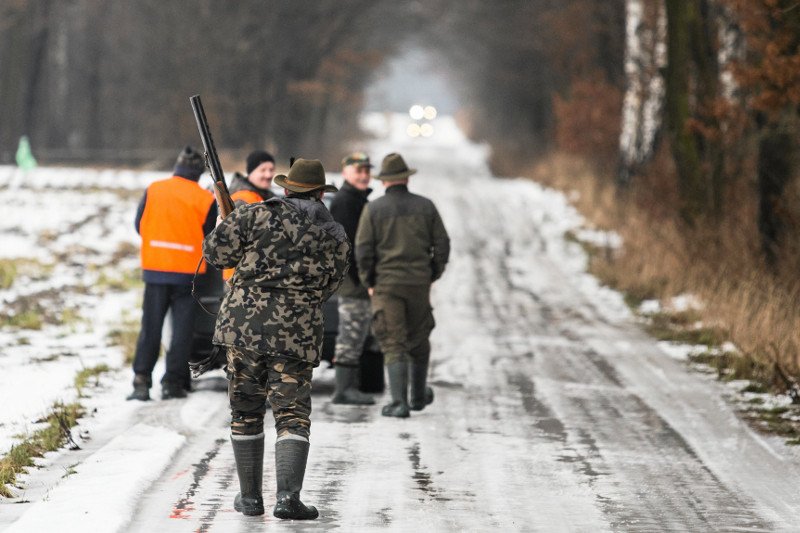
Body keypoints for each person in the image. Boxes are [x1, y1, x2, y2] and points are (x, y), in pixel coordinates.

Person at [202, 158, 348, 519]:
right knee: (292, 414)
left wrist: (224, 224)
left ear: (285, 188)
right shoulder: (334, 234)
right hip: (295, 335)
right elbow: (330, 286)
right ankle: (287, 499)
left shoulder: (253, 214)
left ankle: (250, 499)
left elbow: (215, 255)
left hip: (242, 329)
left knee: (245, 410)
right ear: (319, 193)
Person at [355, 153, 450, 418]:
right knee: (419, 339)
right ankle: (418, 397)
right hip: (418, 283)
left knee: (392, 340)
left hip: (387, 285)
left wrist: (369, 281)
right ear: (406, 178)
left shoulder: (373, 209)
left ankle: (399, 403)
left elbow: (363, 250)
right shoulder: (426, 206)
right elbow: (442, 244)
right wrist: (432, 273)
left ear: (384, 181)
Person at [128, 146, 217, 401]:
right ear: (199, 173)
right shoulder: (205, 199)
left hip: (155, 270)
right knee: (181, 332)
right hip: (187, 275)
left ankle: (141, 381)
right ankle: (172, 383)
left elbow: (139, 225)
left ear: (177, 167)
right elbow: (211, 236)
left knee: (150, 327)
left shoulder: (154, 189)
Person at [329, 152, 376, 405]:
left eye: (367, 170)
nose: (364, 175)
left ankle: (349, 385)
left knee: (357, 332)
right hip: (353, 279)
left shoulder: (357, 199)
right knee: (351, 332)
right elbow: (350, 246)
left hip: (357, 278)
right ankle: (343, 390)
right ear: (346, 172)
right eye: (358, 170)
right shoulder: (346, 201)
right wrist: (364, 280)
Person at [223, 150, 277, 282]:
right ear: (251, 172)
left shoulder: (265, 196)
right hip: (241, 276)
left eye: (271, 169)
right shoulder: (242, 199)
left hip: (257, 273)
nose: (268, 174)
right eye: (263, 170)